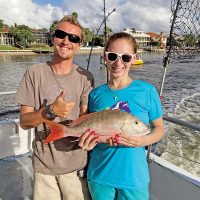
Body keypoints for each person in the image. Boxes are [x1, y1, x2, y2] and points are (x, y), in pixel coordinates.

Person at [15, 15, 94, 200]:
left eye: (74, 38)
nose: (66, 41)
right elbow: (24, 122)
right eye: (61, 34)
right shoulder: (34, 73)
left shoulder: (86, 77)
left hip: (76, 165)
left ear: (80, 44)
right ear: (53, 38)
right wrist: (49, 111)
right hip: (44, 168)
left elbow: (85, 117)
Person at [79, 32, 164, 200]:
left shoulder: (147, 91)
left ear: (134, 58)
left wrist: (141, 141)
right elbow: (89, 128)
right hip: (99, 175)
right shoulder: (95, 94)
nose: (118, 63)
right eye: (112, 56)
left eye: (125, 57)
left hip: (134, 178)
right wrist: (87, 142)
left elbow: (159, 128)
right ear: (104, 57)